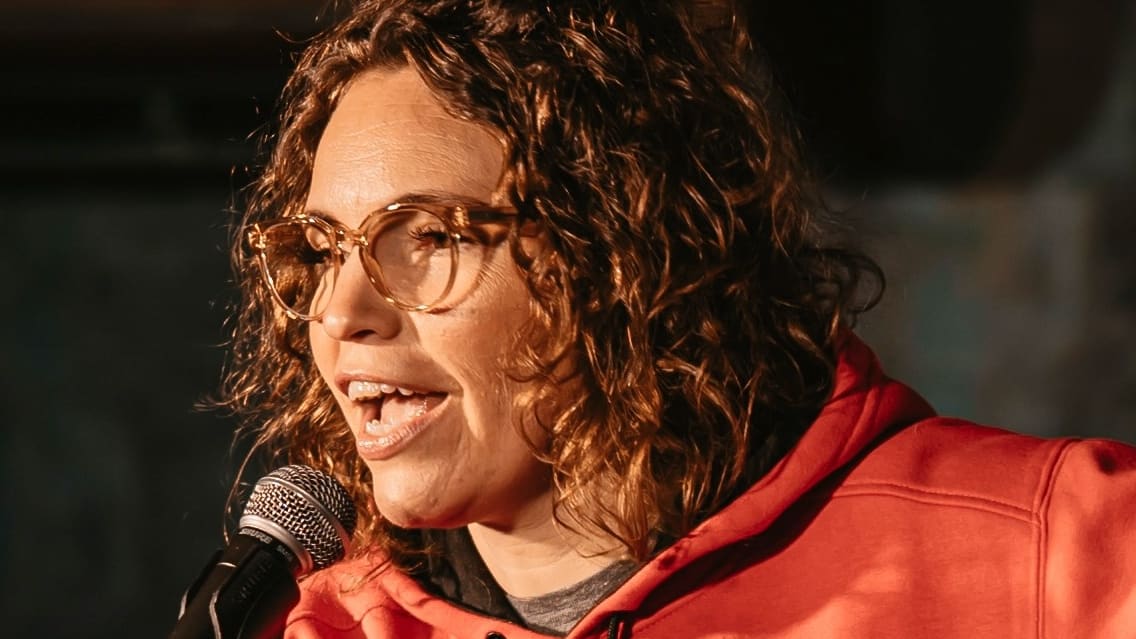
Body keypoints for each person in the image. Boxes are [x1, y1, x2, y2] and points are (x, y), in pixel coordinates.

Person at [218, 0, 1136, 636]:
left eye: (428, 237)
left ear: (619, 247)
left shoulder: (1060, 550)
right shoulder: (315, 627)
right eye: (321, 250)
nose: (341, 311)